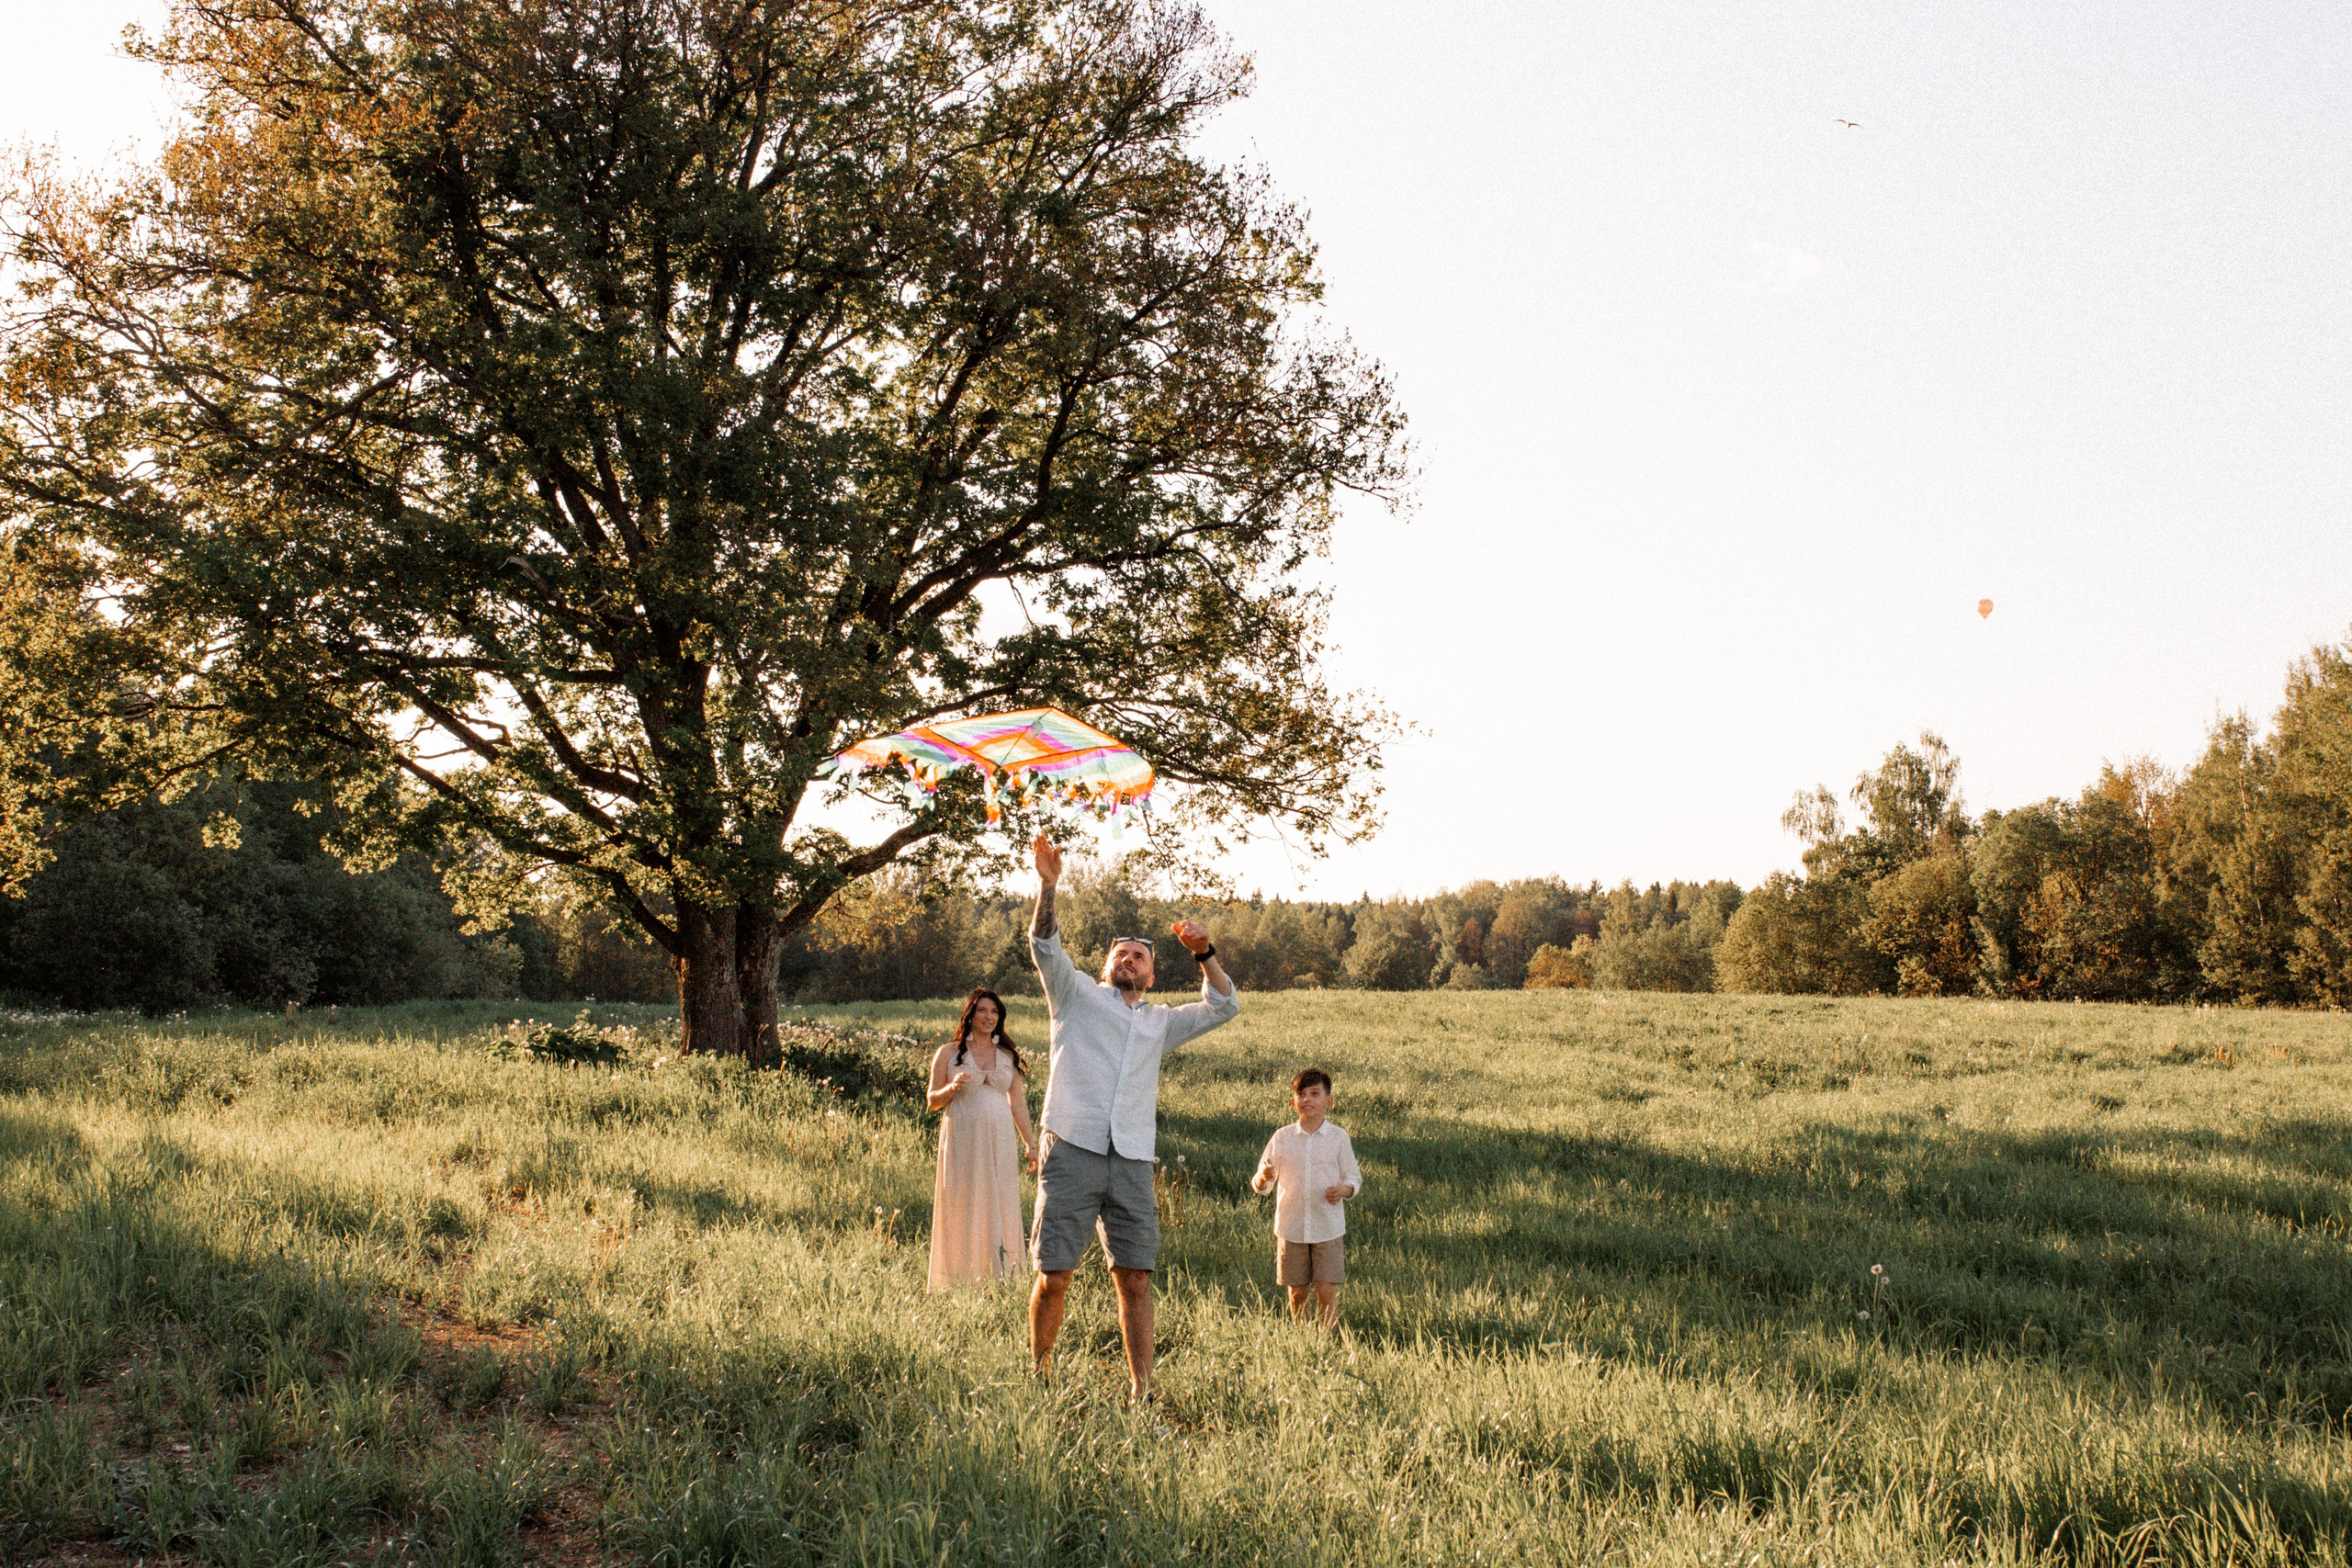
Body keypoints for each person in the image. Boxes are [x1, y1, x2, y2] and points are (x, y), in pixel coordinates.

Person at [1025, 831, 1238, 1400]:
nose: (1128, 959)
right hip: (1072, 1147)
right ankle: (1039, 1376)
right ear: (1106, 967)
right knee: (1055, 1275)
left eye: (1139, 956)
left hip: (1132, 1161)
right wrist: (1049, 886)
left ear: (1150, 975)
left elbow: (1225, 1004)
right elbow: (1045, 945)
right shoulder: (1074, 997)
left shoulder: (1160, 1022)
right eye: (1120, 953)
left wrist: (1204, 953)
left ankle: (1142, 1389)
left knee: (1136, 1277)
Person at [925, 987, 1037, 1292]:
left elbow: (1018, 1103)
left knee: (999, 1199)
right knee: (963, 1200)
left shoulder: (1006, 1056)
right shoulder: (948, 1053)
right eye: (982, 1011)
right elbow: (932, 1101)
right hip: (963, 1139)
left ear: (999, 1018)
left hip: (1000, 1140)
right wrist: (952, 1088)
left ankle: (1000, 1278)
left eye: (994, 1012)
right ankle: (958, 1279)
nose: (988, 1017)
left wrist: (1030, 1145)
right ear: (970, 1015)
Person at [1250, 1066, 1362, 1327]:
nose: (1307, 1099)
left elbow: (1353, 1178)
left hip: (1328, 1227)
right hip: (1291, 1227)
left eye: (1315, 1093)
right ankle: (1303, 1338)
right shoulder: (1282, 1137)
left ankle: (1328, 1340)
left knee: (1325, 1291)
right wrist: (1264, 1177)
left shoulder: (1338, 1138)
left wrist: (1343, 1190)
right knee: (1297, 1292)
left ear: (1328, 1101)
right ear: (1293, 1102)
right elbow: (1261, 1182)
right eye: (1301, 1094)